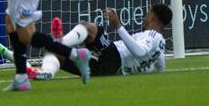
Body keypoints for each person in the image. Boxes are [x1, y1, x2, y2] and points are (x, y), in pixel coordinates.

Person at [31, 5, 171, 79]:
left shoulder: (151, 35)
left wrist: (118, 25)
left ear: (153, 18)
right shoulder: (160, 46)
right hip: (108, 70)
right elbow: (160, 68)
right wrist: (136, 69)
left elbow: (140, 51)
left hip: (115, 58)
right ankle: (47, 72)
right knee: (58, 57)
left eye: (148, 14)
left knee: (90, 28)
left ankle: (59, 42)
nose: (145, 17)